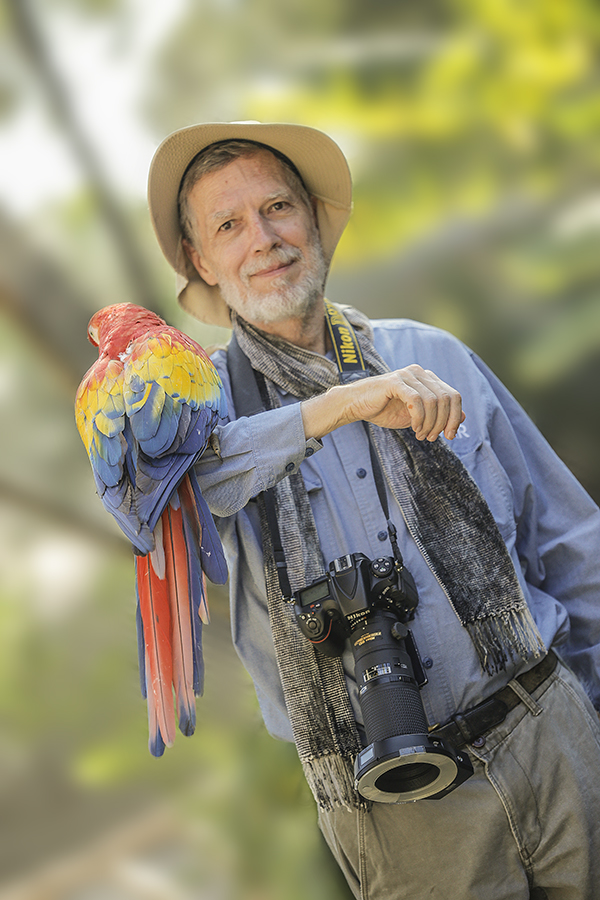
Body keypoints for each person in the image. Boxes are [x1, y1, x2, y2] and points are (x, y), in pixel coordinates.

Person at [147, 122, 600, 900]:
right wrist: (340, 404)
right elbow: (167, 498)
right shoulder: (190, 417)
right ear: (201, 261)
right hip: (396, 810)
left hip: (555, 733)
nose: (264, 238)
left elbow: (569, 543)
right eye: (229, 225)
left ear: (315, 219)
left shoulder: (437, 355)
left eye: (280, 207)